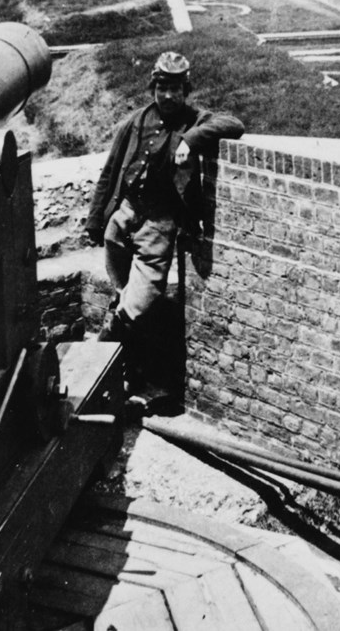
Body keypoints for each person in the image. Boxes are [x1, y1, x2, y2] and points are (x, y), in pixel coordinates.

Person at [85, 52, 244, 411]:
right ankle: (130, 374)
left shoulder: (193, 119)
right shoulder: (136, 121)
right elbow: (111, 171)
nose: (168, 96)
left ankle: (100, 356)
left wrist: (192, 140)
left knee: (138, 302)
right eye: (161, 88)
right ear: (153, 87)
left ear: (185, 90)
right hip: (123, 218)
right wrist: (96, 221)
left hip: (158, 224)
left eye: (175, 88)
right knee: (123, 295)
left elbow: (233, 124)